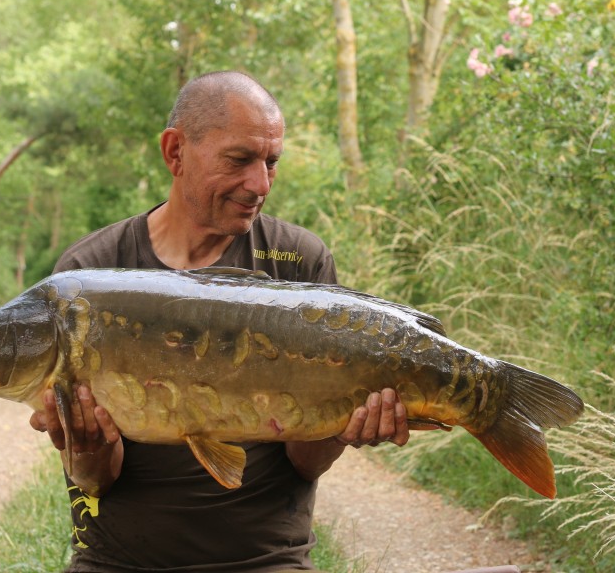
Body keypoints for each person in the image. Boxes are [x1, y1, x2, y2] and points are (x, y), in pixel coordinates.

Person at [29, 70, 410, 572]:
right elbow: (95, 482)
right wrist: (84, 443)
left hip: (267, 560)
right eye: (239, 160)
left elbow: (304, 462)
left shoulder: (297, 261)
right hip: (119, 562)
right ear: (175, 152)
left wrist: (340, 426)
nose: (261, 184)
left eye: (271, 163)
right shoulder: (88, 276)